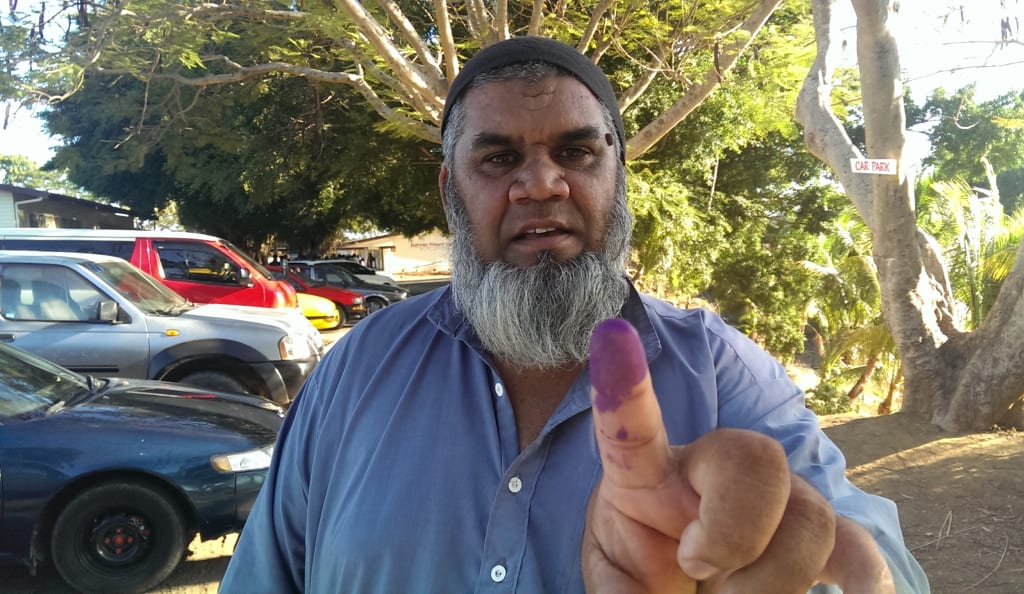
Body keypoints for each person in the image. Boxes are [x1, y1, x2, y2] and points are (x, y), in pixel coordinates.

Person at [221, 36, 929, 593]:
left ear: (617, 176)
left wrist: (790, 560)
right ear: (450, 191)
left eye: (577, 151)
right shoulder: (356, 371)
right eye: (499, 158)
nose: (541, 184)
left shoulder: (723, 375)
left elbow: (873, 562)